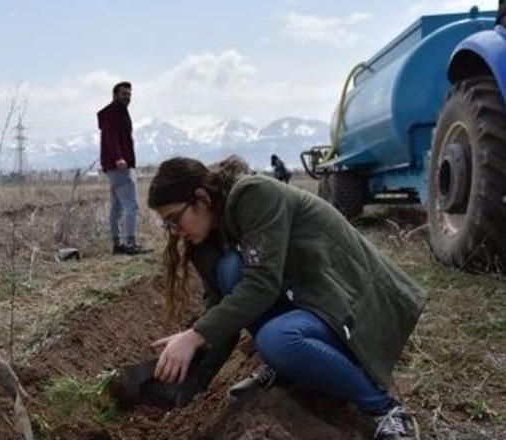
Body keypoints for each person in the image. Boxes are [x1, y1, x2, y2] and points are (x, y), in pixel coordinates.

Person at [146, 156, 427, 440]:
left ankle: (386, 408)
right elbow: (222, 312)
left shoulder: (254, 194)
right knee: (231, 270)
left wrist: (195, 335)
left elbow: (261, 285)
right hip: (308, 299)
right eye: (167, 226)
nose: (174, 232)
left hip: (350, 300)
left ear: (201, 199)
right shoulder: (212, 237)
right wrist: (191, 378)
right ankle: (287, 368)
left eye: (174, 220)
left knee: (277, 339)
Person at [98, 81, 146, 255]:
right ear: (115, 95)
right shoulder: (113, 113)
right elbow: (111, 138)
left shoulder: (119, 112)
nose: (127, 97)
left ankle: (117, 244)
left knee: (117, 207)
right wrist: (119, 158)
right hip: (119, 166)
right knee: (131, 205)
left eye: (129, 94)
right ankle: (130, 244)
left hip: (115, 166)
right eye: (124, 94)